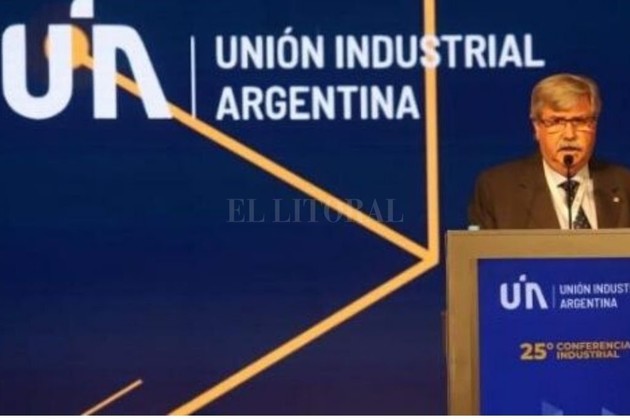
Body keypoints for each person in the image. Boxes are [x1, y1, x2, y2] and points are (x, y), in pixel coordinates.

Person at [468, 73, 630, 229]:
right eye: (556, 122)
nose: (569, 135)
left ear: (594, 125)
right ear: (537, 127)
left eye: (580, 121)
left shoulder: (625, 184)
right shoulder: (497, 189)